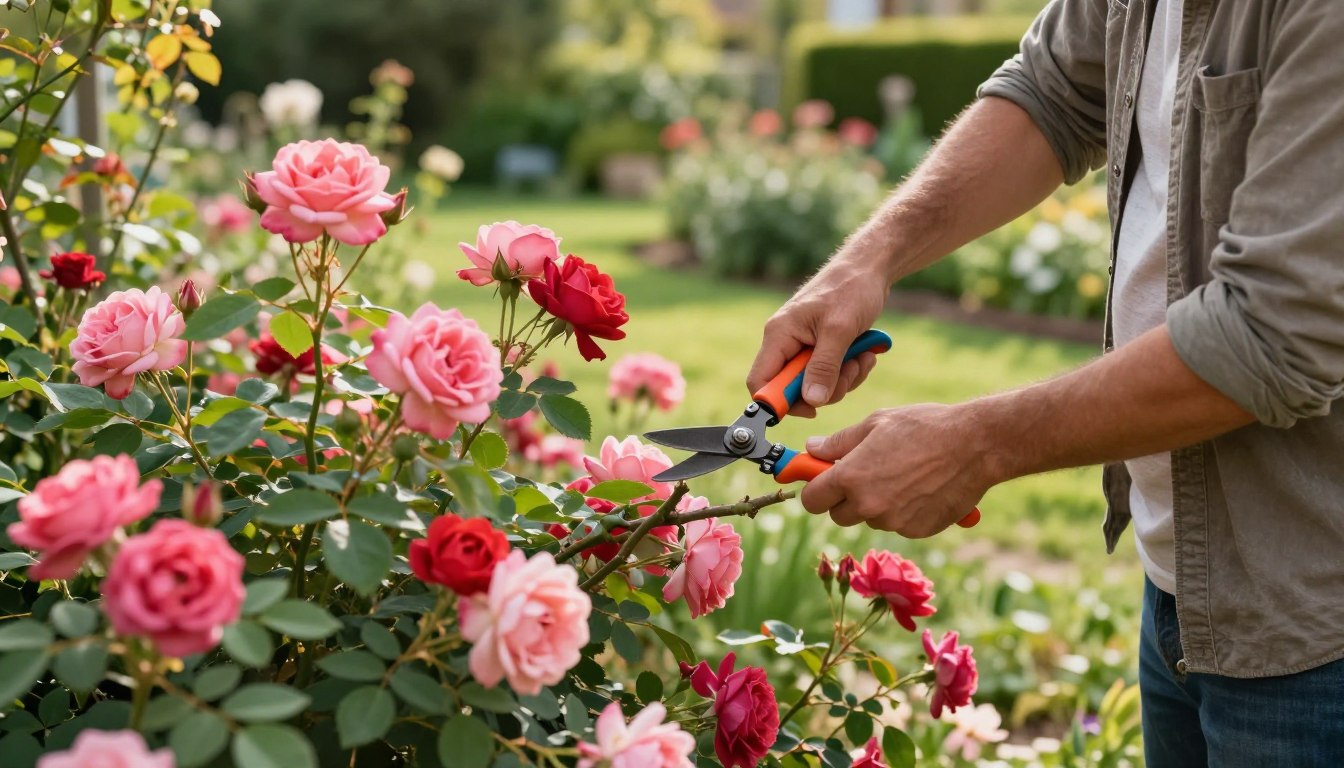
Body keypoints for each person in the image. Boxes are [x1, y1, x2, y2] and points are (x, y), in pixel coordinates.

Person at [748, 1, 1344, 765]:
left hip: (1317, 632)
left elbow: (1275, 331)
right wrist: (868, 259)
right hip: (1186, 588)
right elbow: (1052, 92)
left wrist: (978, 445)